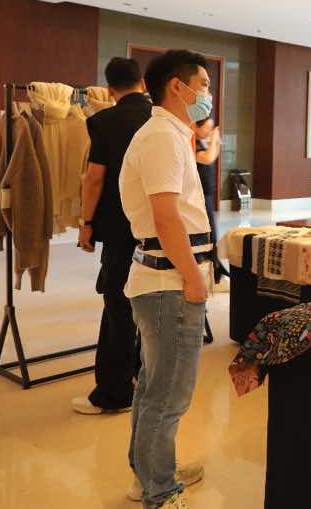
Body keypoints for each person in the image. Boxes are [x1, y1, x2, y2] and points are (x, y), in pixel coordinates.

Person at [119, 50, 214, 509]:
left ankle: (151, 473)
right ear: (178, 86)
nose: (208, 94)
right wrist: (193, 277)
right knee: (169, 395)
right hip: (168, 284)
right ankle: (159, 491)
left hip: (163, 281)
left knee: (154, 386)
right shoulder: (161, 137)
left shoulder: (171, 134)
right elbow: (166, 217)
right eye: (204, 84)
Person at [72, 58, 152, 416]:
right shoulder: (162, 120)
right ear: (143, 84)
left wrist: (86, 223)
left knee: (118, 308)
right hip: (158, 229)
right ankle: (140, 375)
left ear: (108, 90)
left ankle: (114, 393)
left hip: (120, 230)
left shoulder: (104, 122)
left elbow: (94, 178)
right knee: (149, 304)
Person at [193, 118, 228, 282]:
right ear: (195, 127)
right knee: (209, 233)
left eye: (211, 128)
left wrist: (215, 141)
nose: (209, 131)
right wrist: (214, 140)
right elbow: (207, 158)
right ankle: (214, 270)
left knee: (212, 233)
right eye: (207, 128)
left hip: (207, 194)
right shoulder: (192, 143)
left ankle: (216, 268)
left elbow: (212, 155)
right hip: (199, 196)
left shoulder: (202, 142)